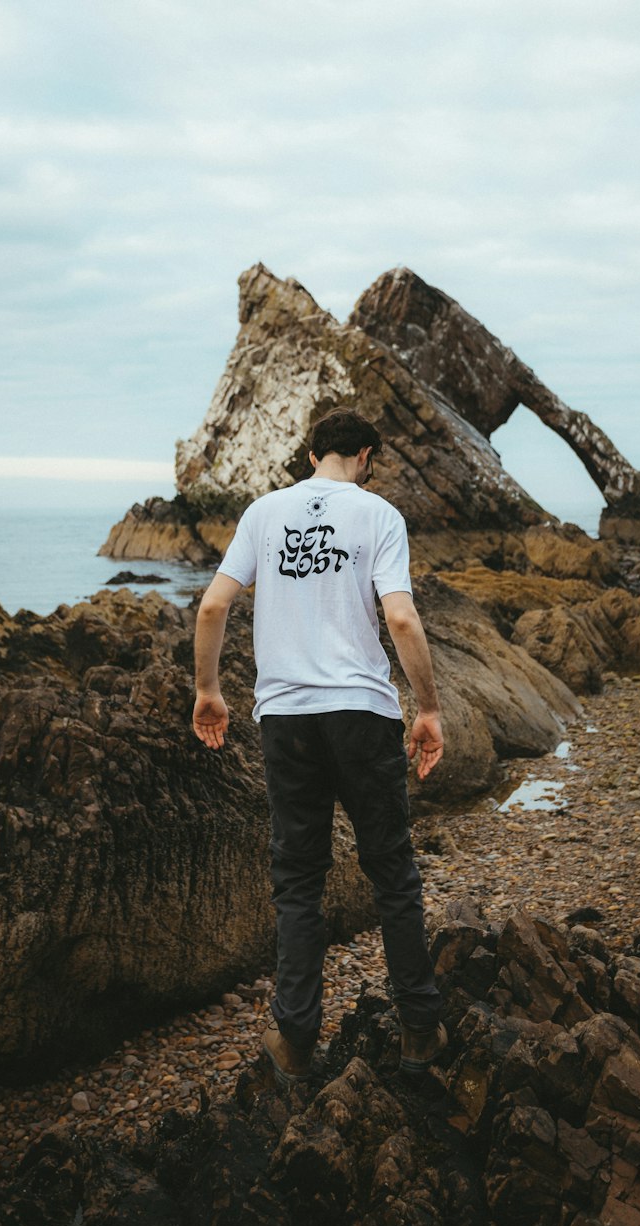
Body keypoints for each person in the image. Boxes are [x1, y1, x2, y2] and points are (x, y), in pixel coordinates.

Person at [192, 407, 446, 1086]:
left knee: (298, 882)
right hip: (362, 713)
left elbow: (213, 606)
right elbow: (398, 615)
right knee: (392, 872)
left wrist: (208, 690)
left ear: (311, 457)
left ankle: (297, 1040)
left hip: (287, 719)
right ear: (364, 456)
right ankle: (420, 1031)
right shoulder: (378, 515)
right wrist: (428, 707)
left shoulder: (262, 513)